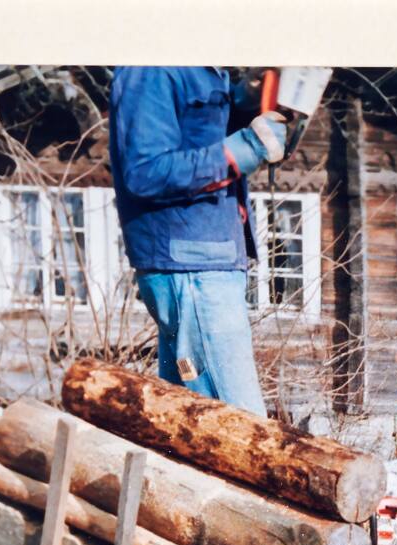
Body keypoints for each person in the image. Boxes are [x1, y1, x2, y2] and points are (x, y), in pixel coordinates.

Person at [108, 67, 294, 416]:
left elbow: (199, 137)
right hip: (192, 269)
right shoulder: (152, 69)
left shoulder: (202, 66)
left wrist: (245, 101)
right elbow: (145, 172)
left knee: (188, 427)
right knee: (238, 425)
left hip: (207, 263)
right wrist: (246, 148)